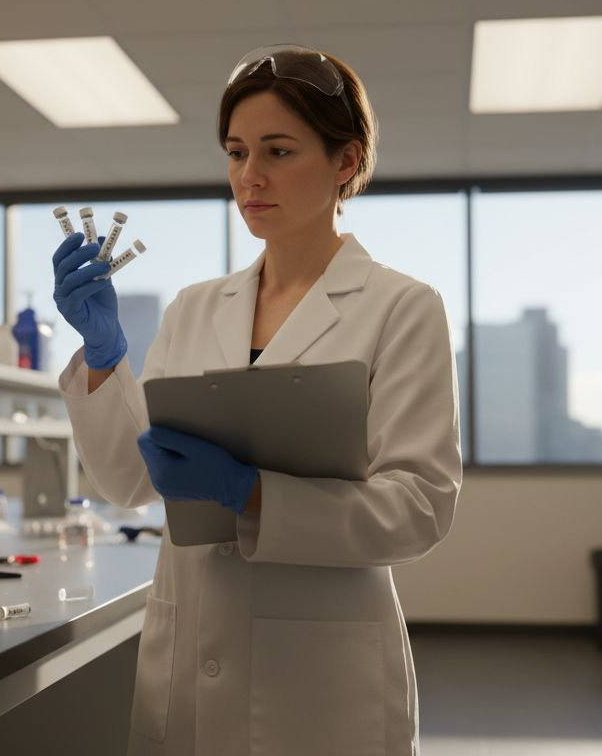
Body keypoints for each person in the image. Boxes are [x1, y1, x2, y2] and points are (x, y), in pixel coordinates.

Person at [51, 44, 462, 756]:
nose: (250, 176)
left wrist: (253, 495)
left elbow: (420, 509)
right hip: (191, 647)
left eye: (278, 150)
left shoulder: (401, 307)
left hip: (321, 679)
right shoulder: (194, 307)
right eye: (237, 153)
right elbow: (129, 482)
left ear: (345, 161)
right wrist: (105, 356)